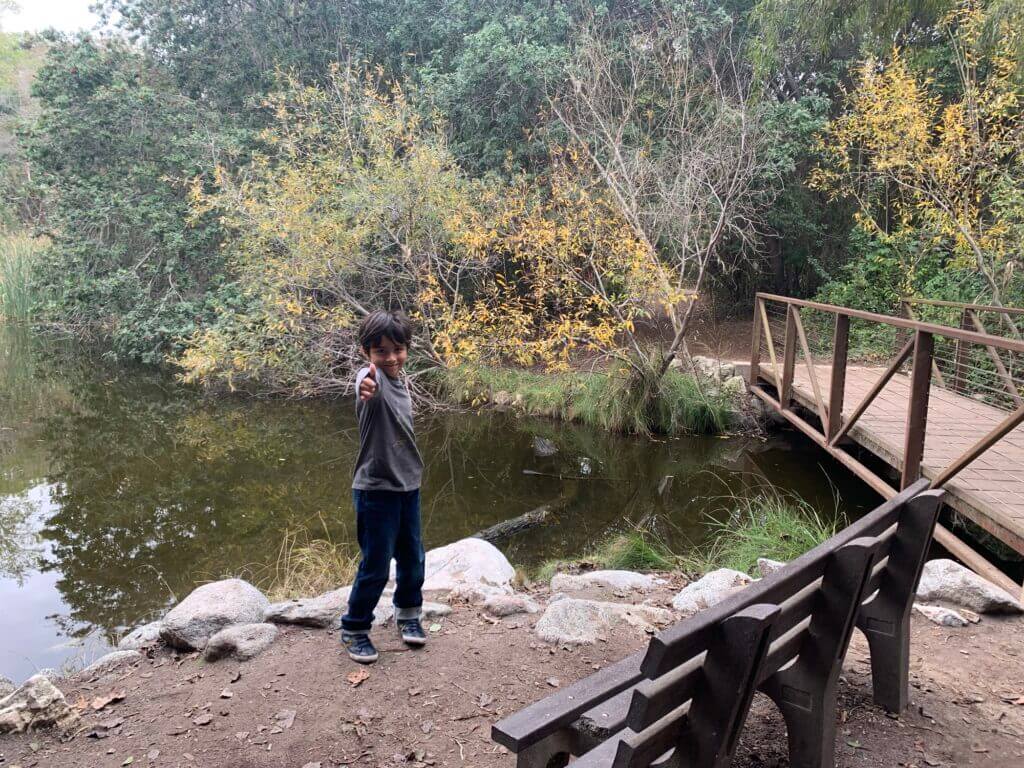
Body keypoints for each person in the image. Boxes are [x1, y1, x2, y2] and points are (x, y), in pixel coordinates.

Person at [339, 310, 426, 663]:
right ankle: (355, 627)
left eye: (398, 349)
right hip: (376, 490)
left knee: (412, 558)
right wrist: (365, 384)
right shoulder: (370, 379)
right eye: (381, 351)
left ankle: (408, 615)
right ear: (367, 353)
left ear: (406, 348)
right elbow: (365, 387)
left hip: (408, 486)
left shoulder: (400, 380)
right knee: (375, 564)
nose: (390, 357)